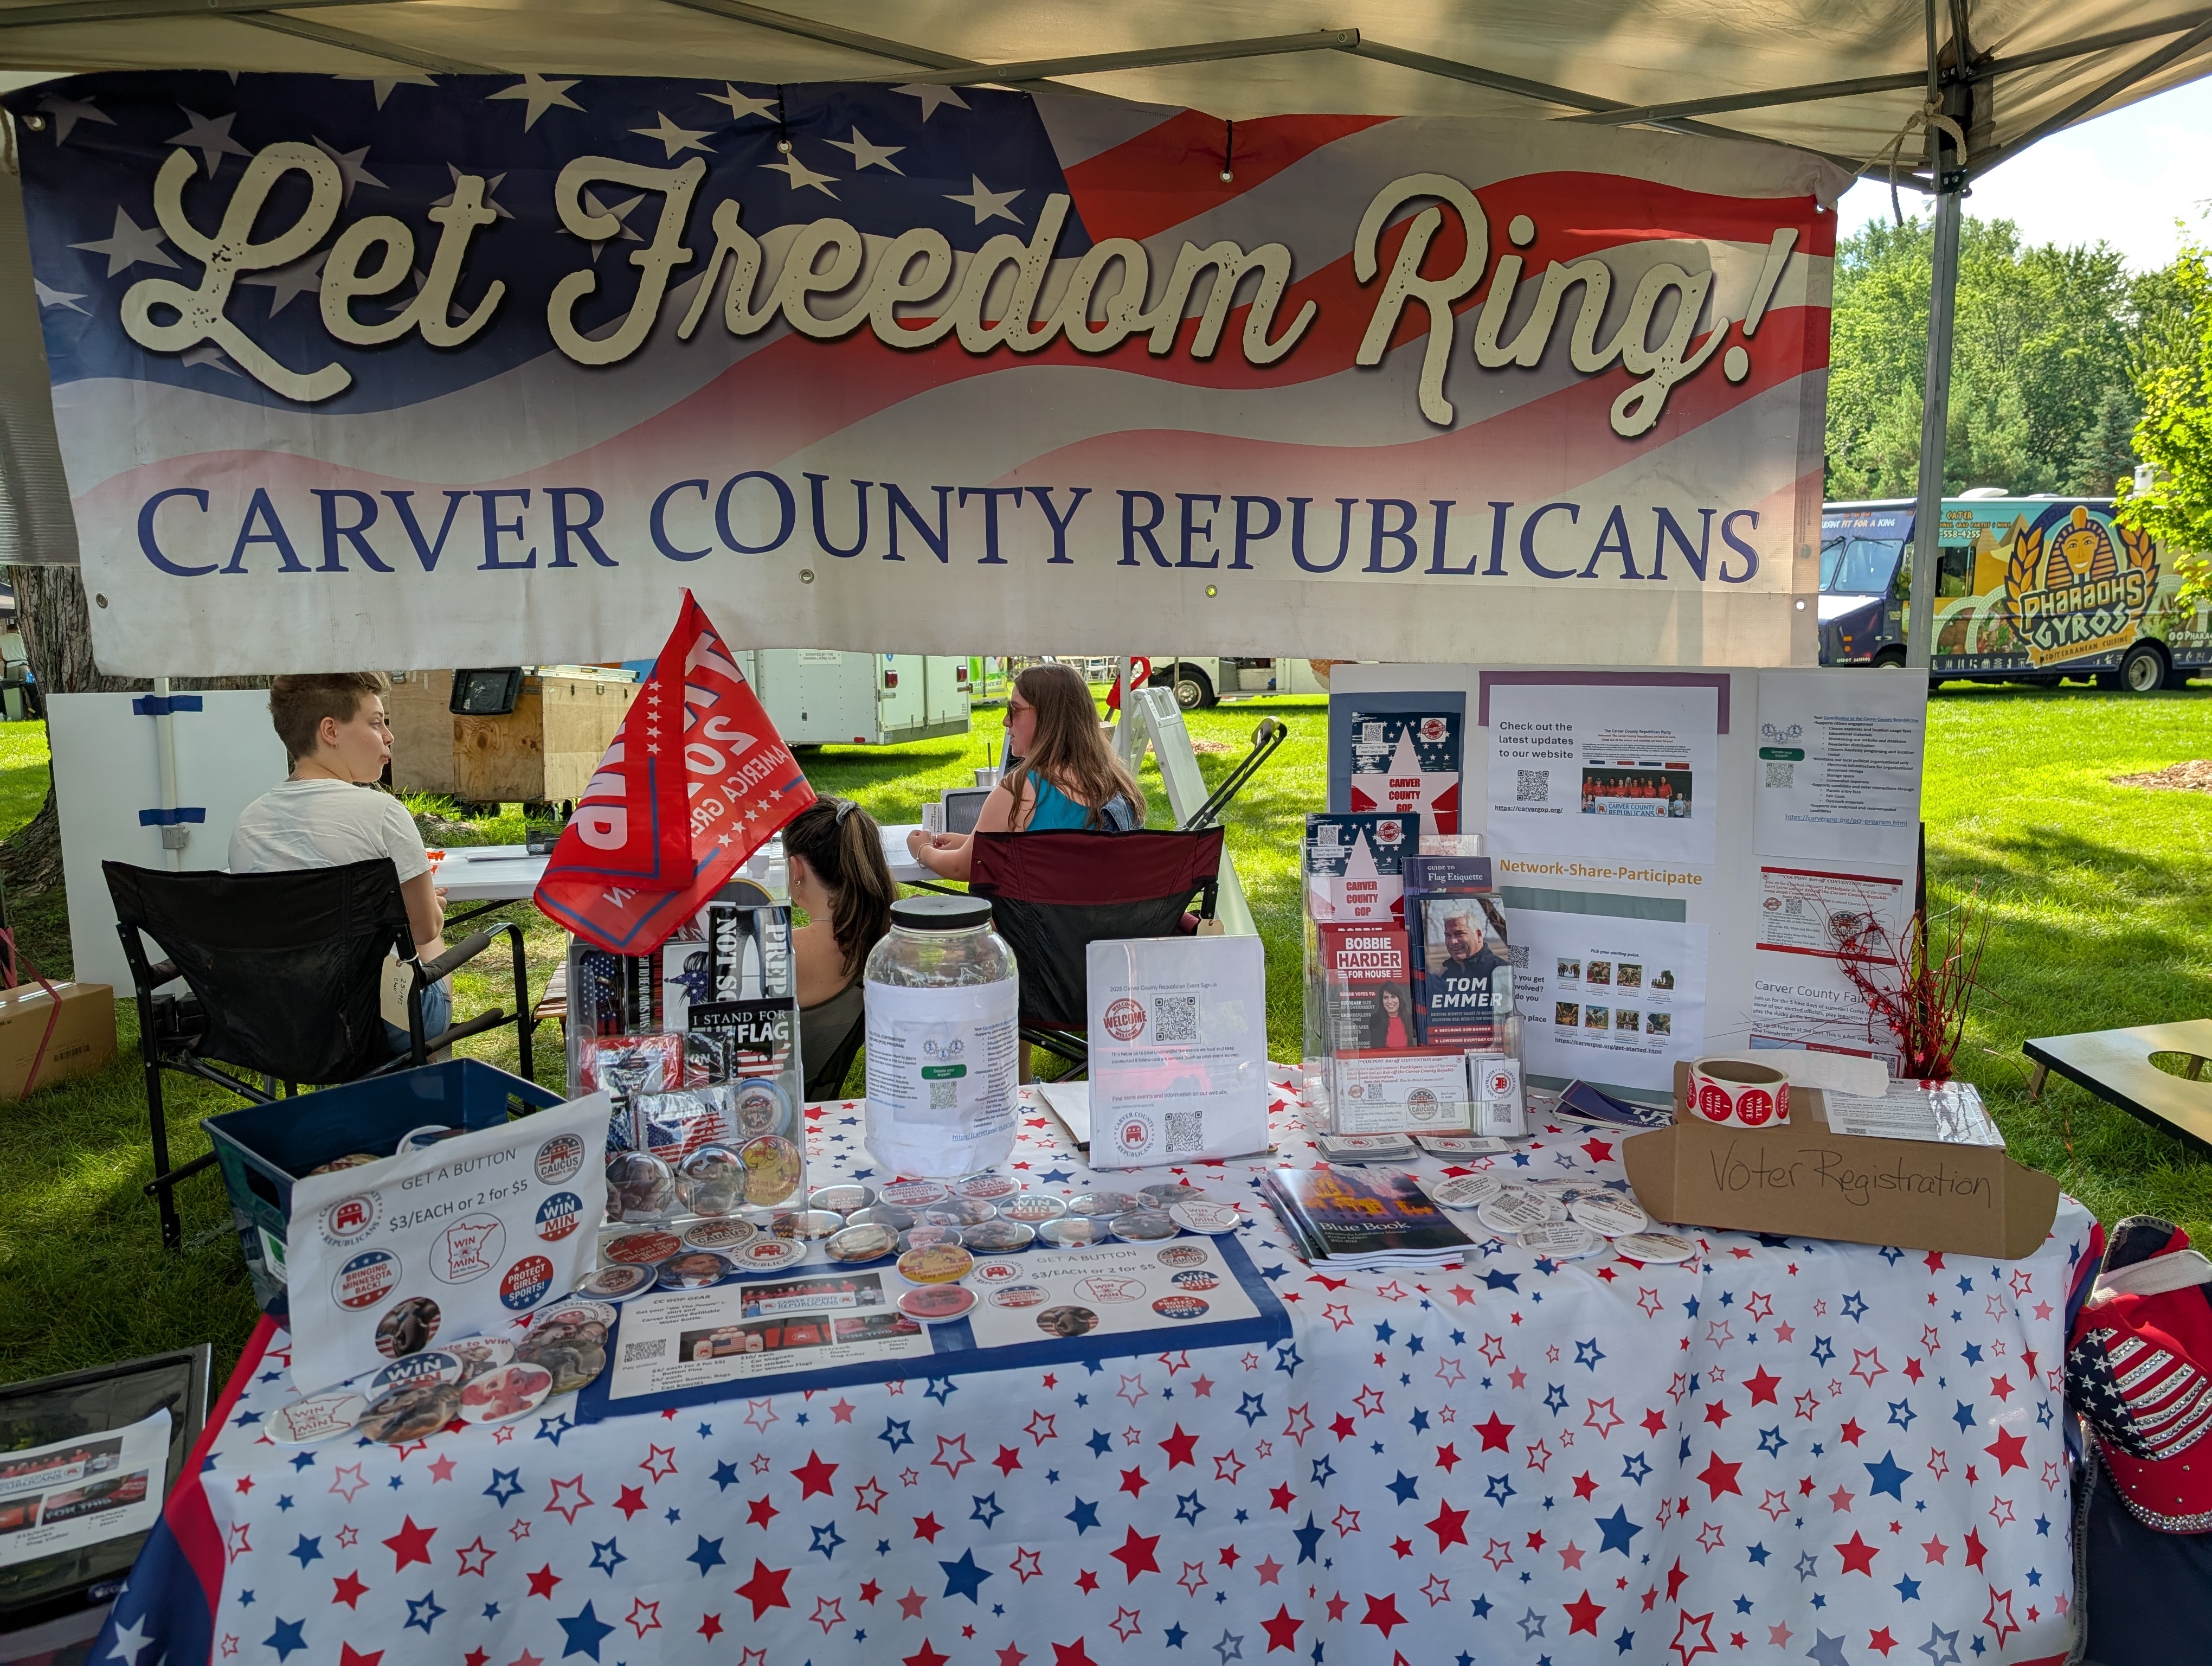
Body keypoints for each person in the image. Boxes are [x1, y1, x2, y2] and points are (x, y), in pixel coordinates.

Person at [229, 672, 449, 1053]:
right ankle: (426, 1082)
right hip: (379, 1025)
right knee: (425, 934)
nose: (389, 736)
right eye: (377, 722)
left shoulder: (250, 821)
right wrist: (434, 909)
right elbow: (425, 928)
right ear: (330, 730)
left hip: (284, 1024)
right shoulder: (382, 812)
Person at [906, 662, 1144, 881]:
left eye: (1014, 709)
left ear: (1047, 717)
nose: (1005, 721)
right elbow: (1059, 857)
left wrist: (923, 850)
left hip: (1032, 926)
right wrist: (969, 843)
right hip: (1109, 924)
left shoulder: (1020, 789)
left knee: (915, 906)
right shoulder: (1120, 785)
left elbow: (963, 866)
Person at [782, 796, 897, 1101]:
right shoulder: (883, 944)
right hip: (823, 1119)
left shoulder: (778, 953)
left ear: (796, 869)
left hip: (760, 1121)